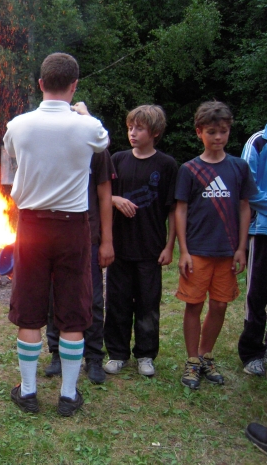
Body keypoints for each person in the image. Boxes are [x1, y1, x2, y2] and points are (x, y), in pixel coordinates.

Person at [3, 52, 109, 416]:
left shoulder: (17, 125)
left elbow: (12, 154)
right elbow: (102, 141)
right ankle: (67, 395)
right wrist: (84, 113)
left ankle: (28, 391)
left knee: (30, 309)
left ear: (41, 84)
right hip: (72, 227)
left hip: (31, 225)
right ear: (74, 85)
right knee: (73, 309)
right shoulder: (88, 127)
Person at [175, 101, 256, 390]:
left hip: (228, 250)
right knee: (194, 304)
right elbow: (180, 210)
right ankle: (191, 361)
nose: (218, 137)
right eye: (211, 132)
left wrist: (241, 248)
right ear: (199, 132)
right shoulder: (189, 169)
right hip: (197, 250)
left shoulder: (239, 167)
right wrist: (183, 250)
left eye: (223, 131)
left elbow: (245, 207)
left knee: (220, 304)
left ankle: (205, 355)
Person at [103, 105, 177, 377]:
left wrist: (169, 246)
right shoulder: (118, 159)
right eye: (130, 128)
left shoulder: (167, 165)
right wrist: (115, 199)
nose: (133, 133)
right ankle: (117, 353)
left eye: (140, 128)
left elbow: (173, 209)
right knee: (117, 304)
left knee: (148, 305)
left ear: (155, 132)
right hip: (119, 248)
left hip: (150, 249)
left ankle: (146, 354)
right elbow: (102, 195)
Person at [44, 149, 115, 384]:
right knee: (56, 297)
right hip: (56, 236)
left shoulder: (96, 149)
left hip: (89, 237)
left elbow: (105, 196)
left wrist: (106, 241)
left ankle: (93, 356)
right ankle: (57, 353)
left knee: (92, 299)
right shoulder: (51, 144)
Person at [238, 86, 267, 377]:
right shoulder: (258, 143)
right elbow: (248, 189)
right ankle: (252, 352)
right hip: (263, 230)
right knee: (257, 292)